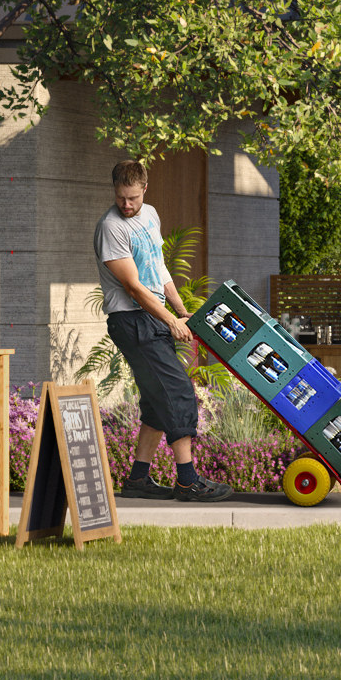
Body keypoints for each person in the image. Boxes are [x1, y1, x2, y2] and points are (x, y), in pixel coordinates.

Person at [95, 158, 232, 501]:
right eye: (121, 197)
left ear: (145, 188)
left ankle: (138, 479)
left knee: (158, 401)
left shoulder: (151, 215)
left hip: (152, 318)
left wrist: (182, 311)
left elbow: (158, 270)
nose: (126, 205)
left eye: (133, 198)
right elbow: (134, 288)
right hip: (132, 321)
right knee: (178, 391)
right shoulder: (112, 227)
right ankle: (187, 481)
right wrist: (170, 321)